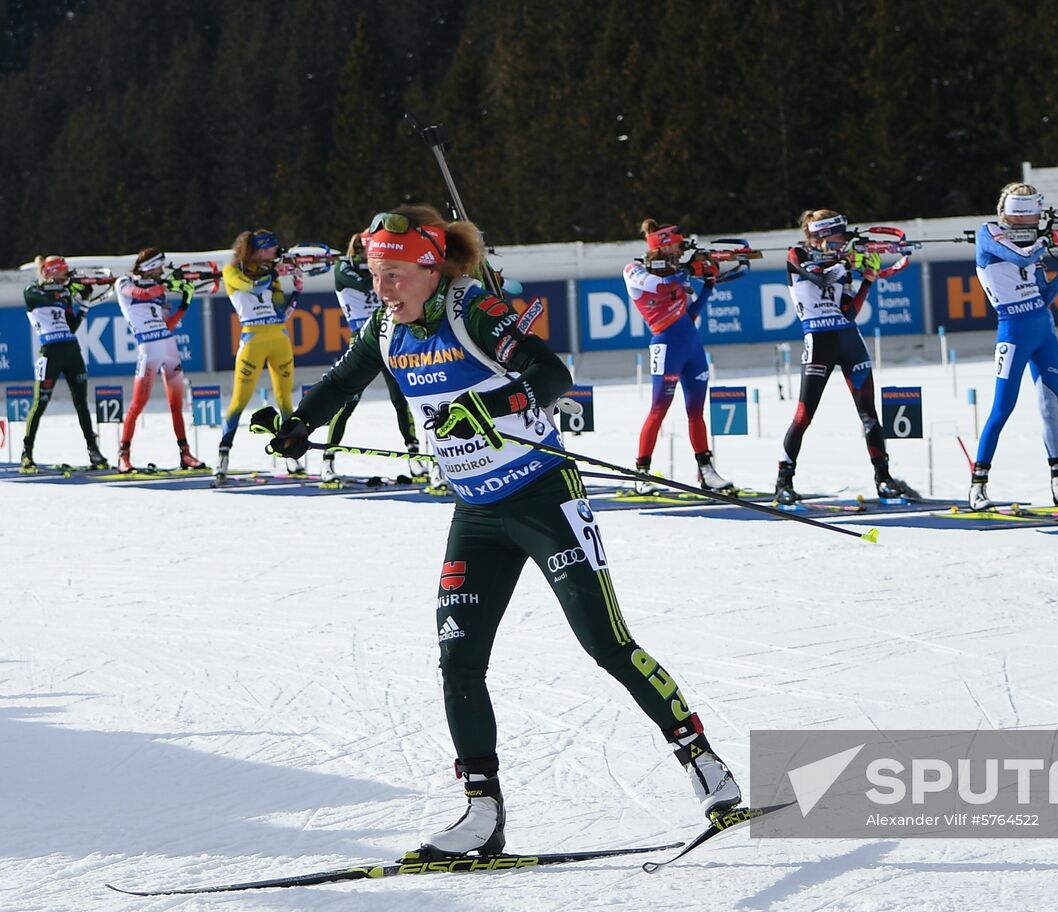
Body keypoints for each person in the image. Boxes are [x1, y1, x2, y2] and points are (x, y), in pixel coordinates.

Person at [251, 205, 742, 859]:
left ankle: (702, 760)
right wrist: (298, 424)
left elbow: (551, 376)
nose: (383, 287)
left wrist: (484, 404)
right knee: (458, 660)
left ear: (429, 269)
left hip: (542, 497)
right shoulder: (385, 327)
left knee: (606, 642)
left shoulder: (470, 309)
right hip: (475, 515)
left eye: (395, 274)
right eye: (376, 273)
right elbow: (344, 379)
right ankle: (483, 813)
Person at [773, 210, 918, 505]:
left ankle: (883, 478)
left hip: (848, 338)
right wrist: (844, 263)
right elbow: (819, 278)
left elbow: (849, 311)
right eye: (839, 238)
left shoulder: (842, 260)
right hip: (818, 339)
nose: (843, 243)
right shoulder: (797, 253)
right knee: (804, 415)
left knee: (869, 414)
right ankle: (783, 481)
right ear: (822, 235)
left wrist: (867, 279)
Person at [967, 182, 1058, 510]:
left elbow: (1044, 296)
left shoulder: (1032, 243)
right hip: (1013, 331)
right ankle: (978, 486)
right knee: (1002, 409)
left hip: (1044, 329)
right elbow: (1019, 253)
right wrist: (1046, 240)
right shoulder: (989, 233)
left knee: (1049, 407)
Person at [624, 219, 732, 493]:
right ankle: (642, 473)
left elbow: (689, 315)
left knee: (696, 412)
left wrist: (708, 284)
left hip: (691, 345)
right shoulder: (635, 269)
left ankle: (706, 471)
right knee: (659, 409)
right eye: (675, 246)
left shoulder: (675, 272)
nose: (680, 251)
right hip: (666, 345)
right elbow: (660, 287)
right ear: (662, 245)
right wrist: (685, 274)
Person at [322, 232, 428, 485]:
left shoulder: (380, 268)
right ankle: (328, 460)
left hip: (389, 336)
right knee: (347, 402)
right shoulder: (343, 267)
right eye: (367, 250)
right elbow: (364, 284)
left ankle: (414, 457)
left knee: (401, 399)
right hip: (362, 340)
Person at [214, 229, 303, 485]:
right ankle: (223, 456)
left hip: (279, 338)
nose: (275, 253)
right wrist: (274, 272)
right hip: (252, 339)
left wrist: (296, 292)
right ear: (259, 249)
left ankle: (290, 454)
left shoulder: (269, 273)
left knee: (286, 400)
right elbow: (251, 286)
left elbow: (279, 312)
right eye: (271, 248)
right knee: (239, 401)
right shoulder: (232, 270)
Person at [112, 248, 205, 472]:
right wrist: (166, 285)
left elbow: (168, 325)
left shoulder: (157, 290)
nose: (161, 271)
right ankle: (123, 456)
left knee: (176, 404)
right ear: (148, 266)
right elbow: (142, 294)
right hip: (148, 348)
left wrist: (185, 303)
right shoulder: (124, 282)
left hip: (168, 346)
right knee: (138, 403)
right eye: (158, 266)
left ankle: (185, 454)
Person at [19, 255, 107, 471]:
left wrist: (83, 305)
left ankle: (93, 451)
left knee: (81, 403)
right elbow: (44, 297)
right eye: (63, 272)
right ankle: (27, 453)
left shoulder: (63, 293)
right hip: (49, 351)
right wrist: (67, 289)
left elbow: (70, 326)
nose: (66, 276)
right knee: (40, 403)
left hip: (71, 349)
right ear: (50, 272)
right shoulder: (33, 290)